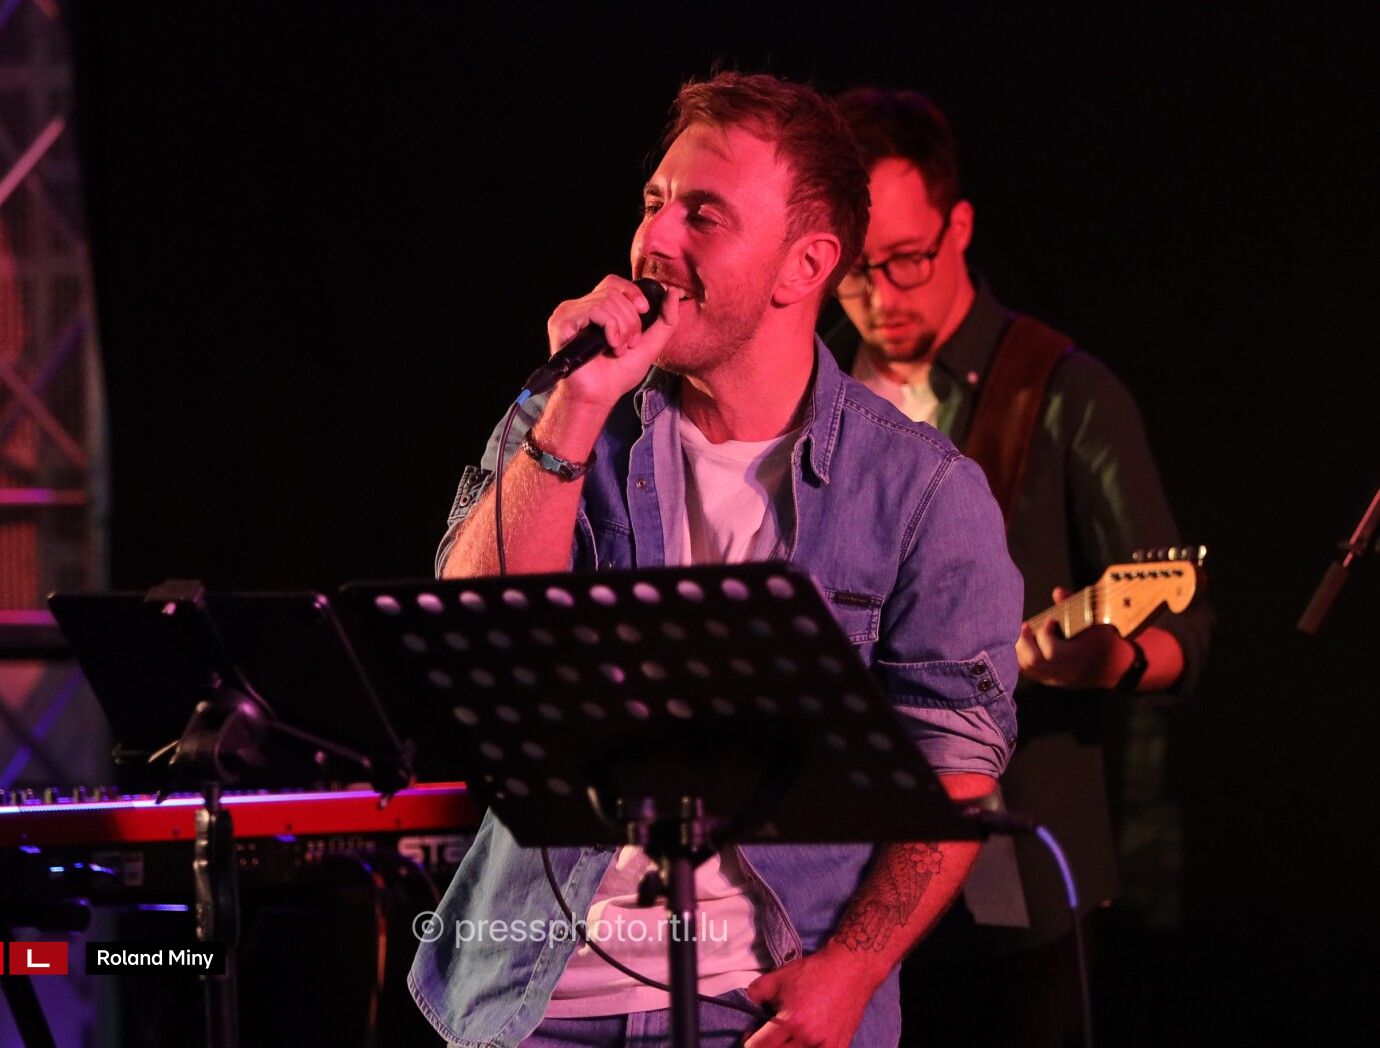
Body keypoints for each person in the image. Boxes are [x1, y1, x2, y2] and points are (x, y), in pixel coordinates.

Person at [409, 72, 1024, 1048]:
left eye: (703, 213)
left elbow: (955, 769)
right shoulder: (566, 418)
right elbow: (475, 639)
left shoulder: (922, 492)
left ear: (804, 264)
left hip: (757, 1008)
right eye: (653, 201)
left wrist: (853, 970)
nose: (654, 238)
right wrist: (575, 409)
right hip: (533, 1002)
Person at [820, 88, 1215, 1046]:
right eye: (855, 270)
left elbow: (1188, 628)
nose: (882, 295)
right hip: (835, 871)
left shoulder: (1065, 392)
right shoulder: (815, 390)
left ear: (958, 227)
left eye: (907, 259)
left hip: (1010, 881)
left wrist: (1117, 660)